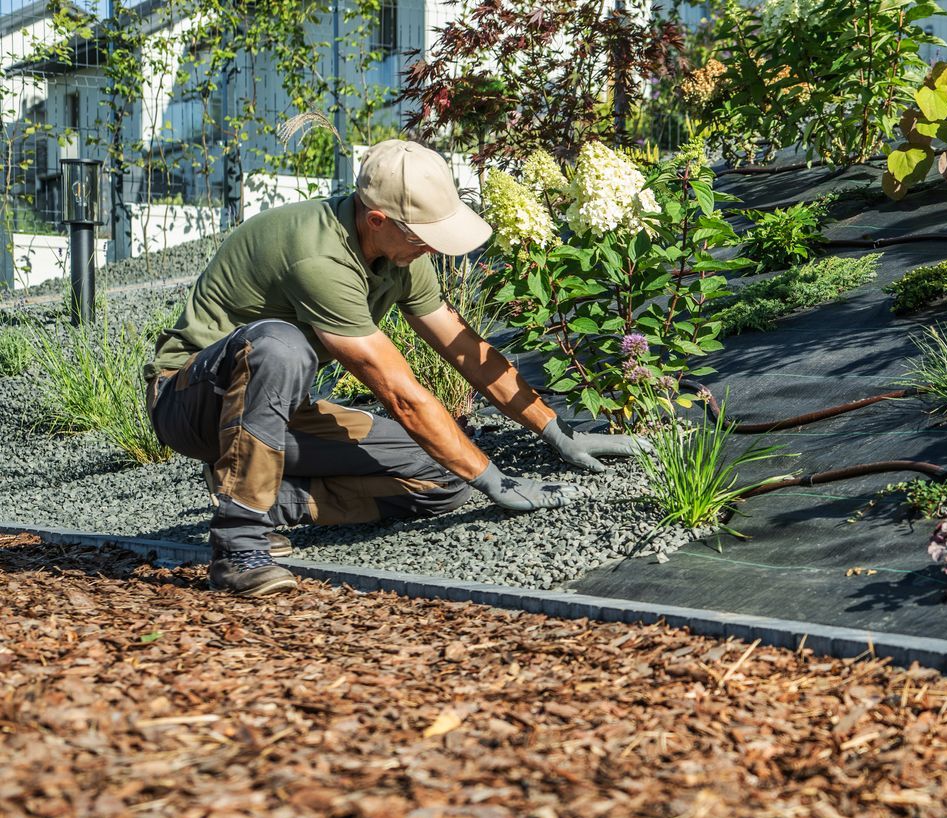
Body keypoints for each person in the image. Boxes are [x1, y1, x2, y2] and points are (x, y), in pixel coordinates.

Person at [145, 139, 638, 598]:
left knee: (446, 477)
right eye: (424, 236)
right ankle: (239, 544)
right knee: (283, 344)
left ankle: (267, 499)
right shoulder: (319, 256)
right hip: (191, 402)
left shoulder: (401, 254)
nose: (433, 247)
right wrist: (500, 484)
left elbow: (465, 348)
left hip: (273, 411)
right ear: (377, 219)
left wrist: (555, 432)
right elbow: (399, 392)